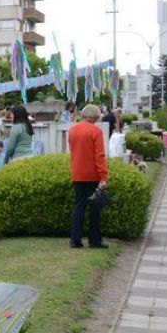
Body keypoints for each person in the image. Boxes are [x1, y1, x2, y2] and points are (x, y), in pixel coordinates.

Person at [69, 104, 109, 249]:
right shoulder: (96, 131)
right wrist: (103, 176)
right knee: (95, 208)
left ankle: (75, 240)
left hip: (77, 172)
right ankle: (95, 241)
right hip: (92, 174)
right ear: (96, 117)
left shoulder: (73, 130)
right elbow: (99, 156)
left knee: (79, 206)